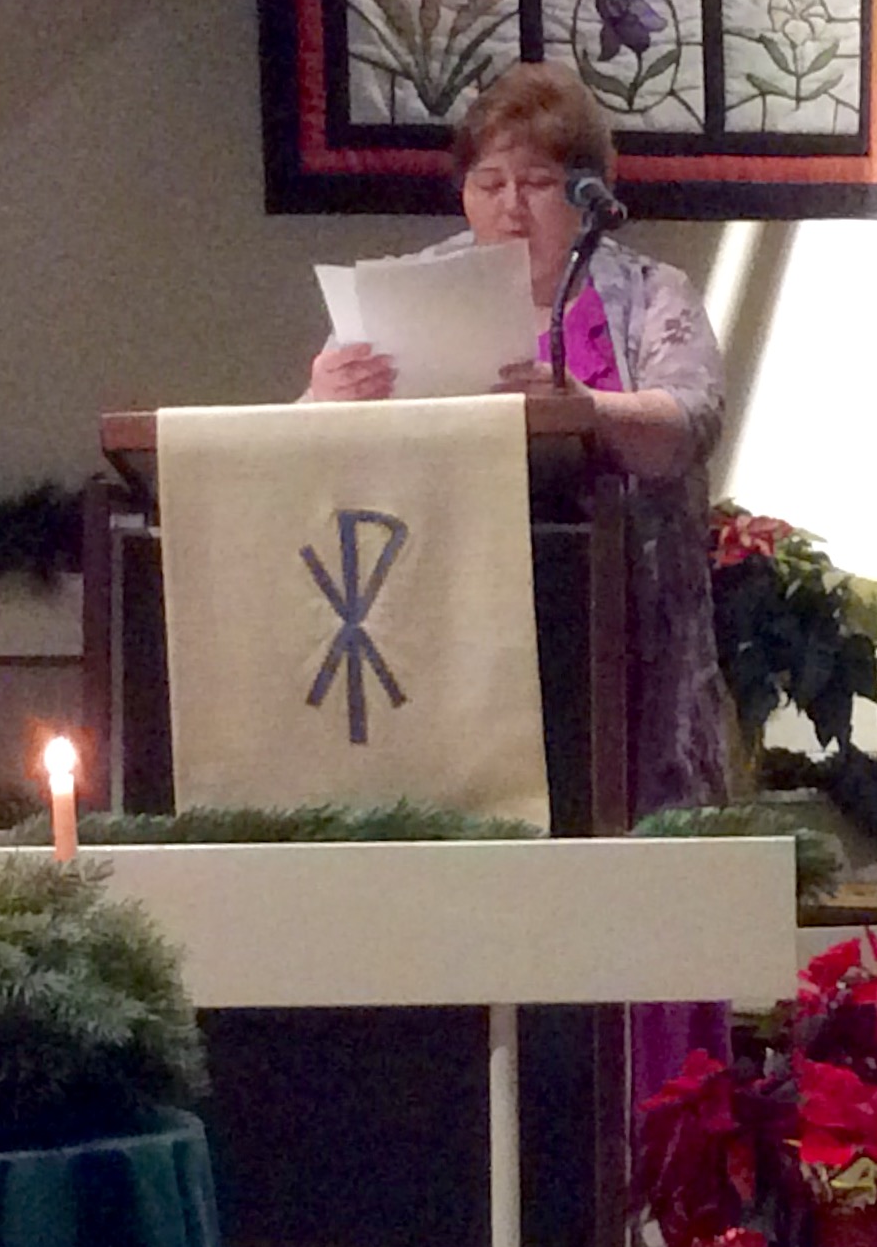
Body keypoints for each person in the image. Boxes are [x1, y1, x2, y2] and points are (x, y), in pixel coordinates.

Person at [306, 60, 730, 818]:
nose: (510, 207)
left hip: (614, 629)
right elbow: (297, 436)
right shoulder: (407, 291)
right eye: (488, 183)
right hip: (446, 621)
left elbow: (689, 420)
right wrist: (323, 395)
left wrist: (588, 410)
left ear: (587, 194)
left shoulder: (649, 293)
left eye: (536, 183)